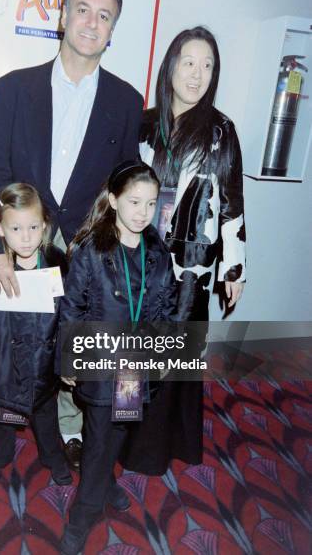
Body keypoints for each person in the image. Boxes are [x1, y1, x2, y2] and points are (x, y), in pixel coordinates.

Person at [0, 0, 143, 464]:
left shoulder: (126, 101)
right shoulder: (12, 88)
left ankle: (69, 429)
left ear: (112, 31)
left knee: (69, 338)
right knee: (3, 336)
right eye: (83, 9)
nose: (92, 22)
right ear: (62, 15)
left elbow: (123, 182)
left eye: (104, 15)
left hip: (83, 243)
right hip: (21, 237)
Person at [120, 26, 246, 473]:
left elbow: (232, 202)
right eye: (189, 62)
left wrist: (234, 269)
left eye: (207, 65)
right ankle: (123, 438)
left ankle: (158, 447)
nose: (197, 75)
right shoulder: (144, 122)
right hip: (139, 254)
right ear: (171, 64)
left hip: (191, 264)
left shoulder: (220, 130)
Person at [57, 161, 178, 555]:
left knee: (121, 427)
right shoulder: (92, 250)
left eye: (150, 203)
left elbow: (163, 307)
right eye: (133, 202)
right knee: (97, 438)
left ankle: (105, 481)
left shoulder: (157, 252)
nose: (142, 213)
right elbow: (72, 308)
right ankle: (84, 510)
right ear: (113, 201)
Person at [0, 183, 72, 488]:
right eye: (16, 228)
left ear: (45, 225)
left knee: (46, 417)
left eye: (33, 227)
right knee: (4, 418)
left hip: (43, 365)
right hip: (4, 365)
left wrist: (69, 362)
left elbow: (70, 317)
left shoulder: (59, 265)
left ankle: (53, 456)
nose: (26, 237)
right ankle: (0, 455)